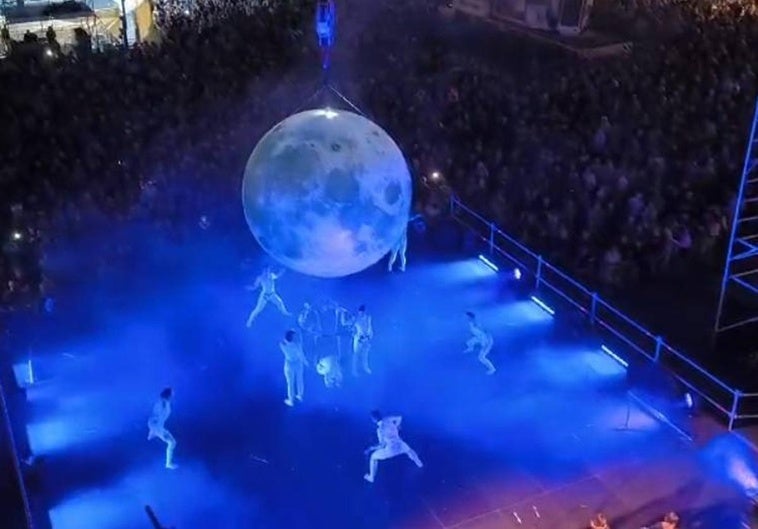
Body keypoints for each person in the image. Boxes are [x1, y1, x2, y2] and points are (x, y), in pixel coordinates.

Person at [364, 410, 423, 483]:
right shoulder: (388, 419)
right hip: (400, 444)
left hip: (391, 450)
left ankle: (371, 477)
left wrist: (370, 448)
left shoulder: (380, 430)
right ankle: (419, 464)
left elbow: (382, 445)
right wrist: (397, 426)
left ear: (373, 420)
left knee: (373, 457)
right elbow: (400, 418)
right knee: (410, 451)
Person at [147, 387, 178, 470]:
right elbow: (157, 415)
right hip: (156, 426)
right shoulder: (162, 403)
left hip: (157, 426)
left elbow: (161, 417)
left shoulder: (165, 403)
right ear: (168, 394)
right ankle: (168, 463)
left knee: (172, 442)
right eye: (172, 394)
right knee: (172, 442)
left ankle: (153, 433)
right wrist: (155, 429)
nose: (173, 395)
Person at [280, 329, 307, 407]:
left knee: (290, 382)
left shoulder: (282, 345)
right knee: (299, 379)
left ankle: (291, 400)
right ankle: (300, 395)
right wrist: (306, 363)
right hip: (298, 363)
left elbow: (283, 340)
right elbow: (301, 355)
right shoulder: (297, 345)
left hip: (289, 364)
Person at [351, 305, 373, 376]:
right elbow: (348, 324)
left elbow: (370, 328)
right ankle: (354, 370)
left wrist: (369, 337)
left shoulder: (368, 318)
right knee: (356, 355)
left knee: (365, 355)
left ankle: (365, 368)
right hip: (358, 339)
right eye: (360, 312)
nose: (361, 314)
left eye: (362, 312)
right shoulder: (356, 319)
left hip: (366, 338)